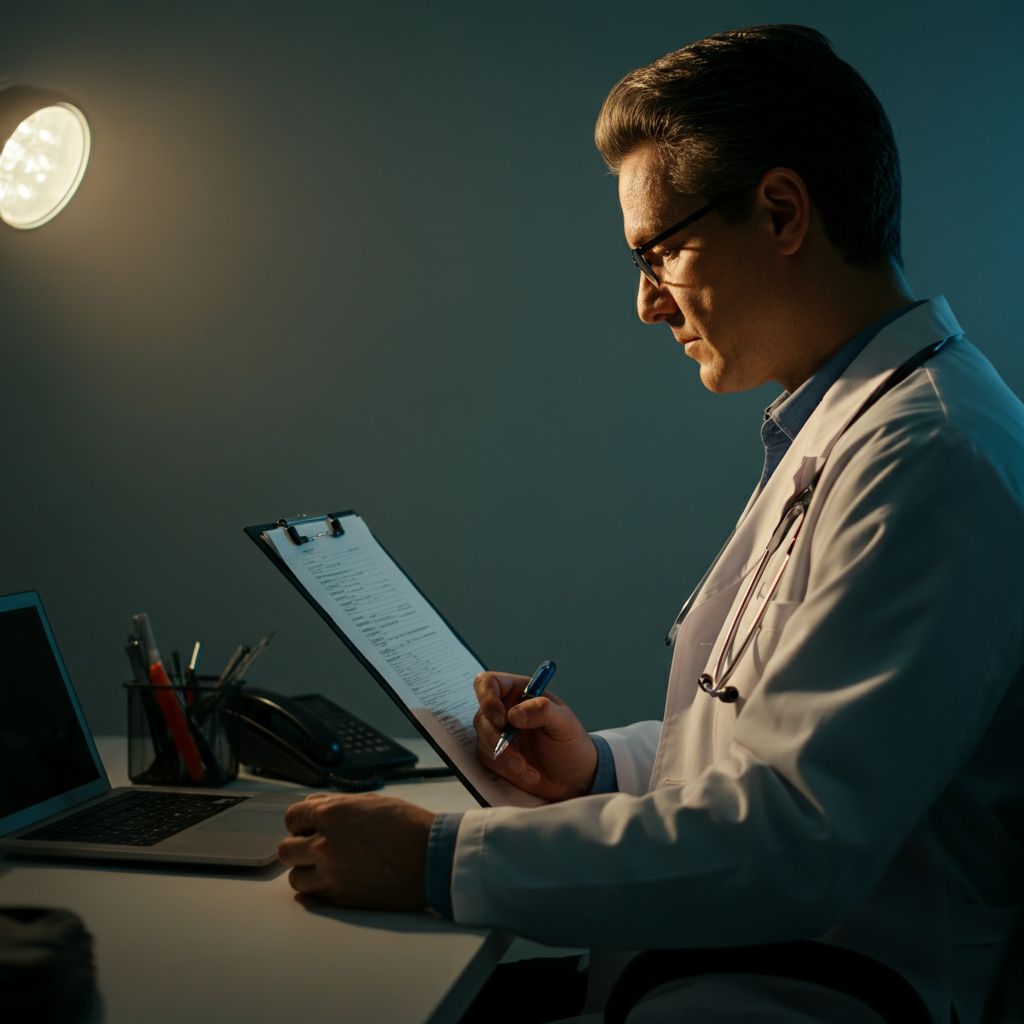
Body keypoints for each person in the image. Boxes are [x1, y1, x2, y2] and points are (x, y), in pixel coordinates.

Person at [278, 25, 1024, 1024]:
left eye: (657, 250)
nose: (645, 304)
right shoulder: (853, 427)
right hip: (729, 967)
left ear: (779, 211)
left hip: (815, 993)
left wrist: (436, 857)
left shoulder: (928, 457)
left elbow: (794, 837)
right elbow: (778, 744)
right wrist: (599, 767)